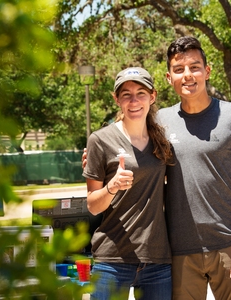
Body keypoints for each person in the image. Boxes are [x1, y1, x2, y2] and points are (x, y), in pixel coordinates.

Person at [157, 36, 231, 300]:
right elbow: (137, 159)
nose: (188, 75)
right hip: (179, 251)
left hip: (229, 247)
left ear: (207, 71)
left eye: (194, 67)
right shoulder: (159, 121)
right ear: (169, 77)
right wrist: (100, 158)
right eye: (179, 69)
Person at [82, 67, 173, 300]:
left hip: (157, 260)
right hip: (112, 260)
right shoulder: (100, 140)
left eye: (141, 93)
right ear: (116, 99)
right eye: (126, 94)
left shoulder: (163, 142)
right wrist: (111, 187)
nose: (134, 101)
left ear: (152, 97)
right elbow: (93, 205)